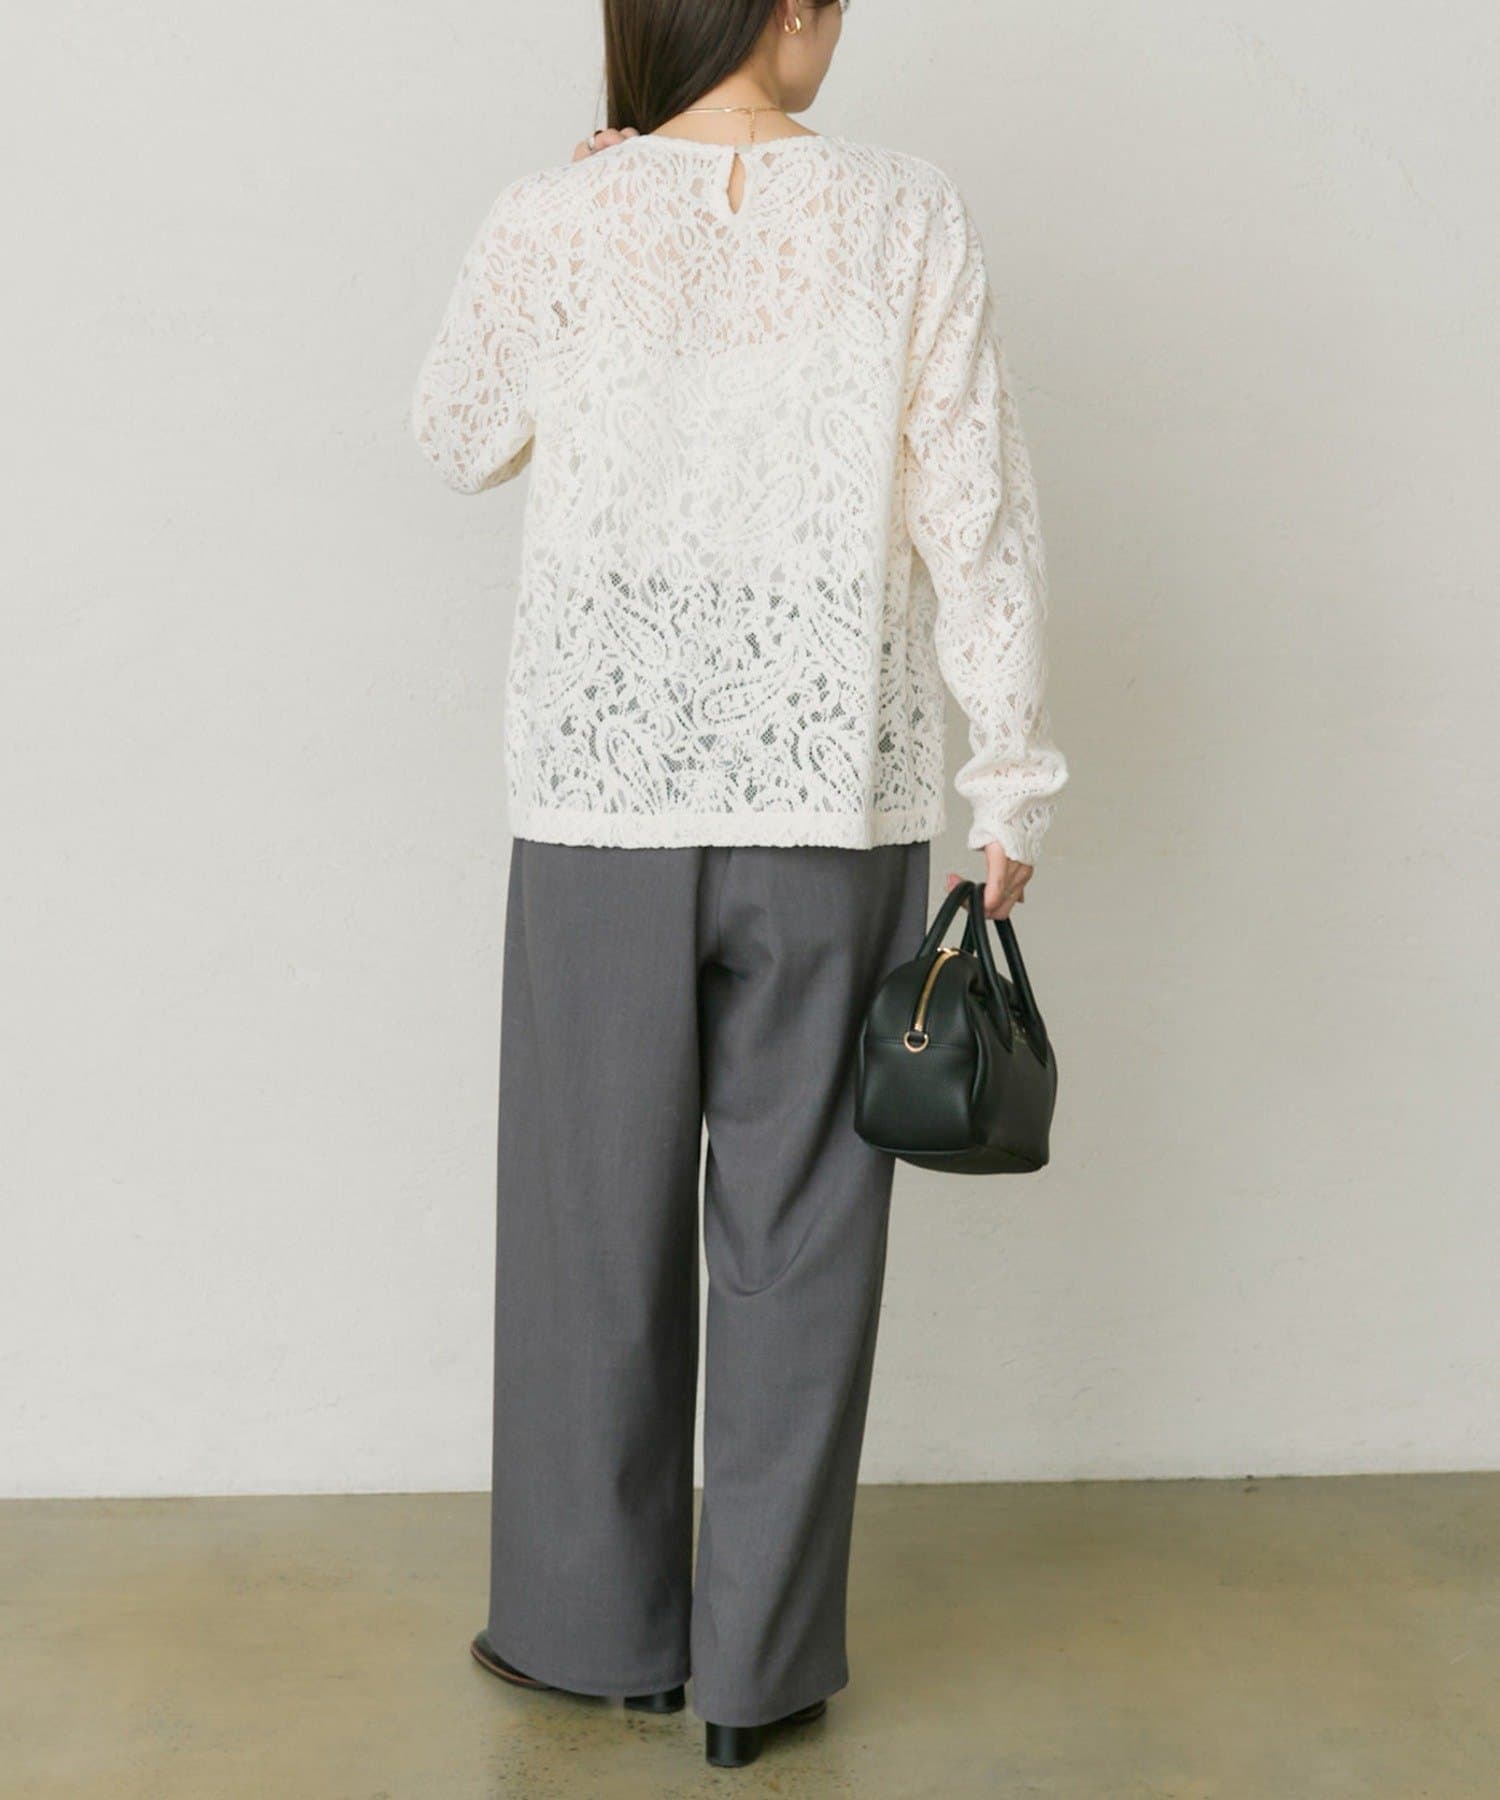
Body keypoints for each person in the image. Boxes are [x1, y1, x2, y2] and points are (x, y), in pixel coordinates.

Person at [410, 0, 1067, 1770]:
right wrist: (1009, 771)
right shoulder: (907, 211)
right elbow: (976, 507)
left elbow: (455, 429)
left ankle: (592, 1635)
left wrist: (564, 218)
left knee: (587, 1226)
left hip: (600, 805)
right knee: (805, 1239)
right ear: (785, 10)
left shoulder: (560, 215)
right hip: (828, 797)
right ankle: (757, 1680)